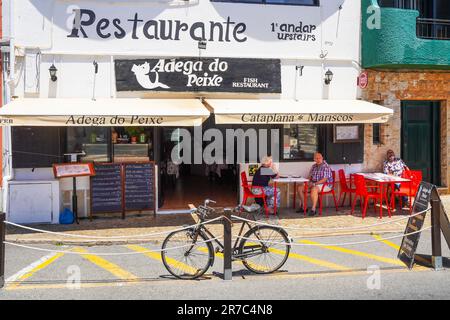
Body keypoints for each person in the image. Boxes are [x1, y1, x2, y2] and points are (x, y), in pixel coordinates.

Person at [296, 152, 333, 216]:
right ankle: (304, 206)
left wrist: (314, 184)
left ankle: (313, 209)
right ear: (314, 159)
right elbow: (310, 176)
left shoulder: (326, 166)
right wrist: (306, 182)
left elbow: (324, 179)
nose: (318, 160)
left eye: (319, 158)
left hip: (325, 185)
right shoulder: (314, 166)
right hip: (314, 183)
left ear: (322, 158)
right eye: (316, 158)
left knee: (314, 189)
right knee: (300, 187)